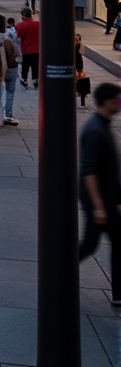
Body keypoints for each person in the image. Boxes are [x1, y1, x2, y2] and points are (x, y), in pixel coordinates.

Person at [77, 81, 121, 307]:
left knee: (100, 243)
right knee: (90, 245)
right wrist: (99, 206)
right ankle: (58, 270)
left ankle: (118, 294)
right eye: (118, 99)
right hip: (100, 200)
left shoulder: (101, 125)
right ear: (108, 101)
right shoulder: (95, 130)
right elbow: (89, 171)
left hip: (107, 197)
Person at [0, 17, 20, 126]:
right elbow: (17, 52)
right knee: (10, 91)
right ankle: (8, 113)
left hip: (0, 67)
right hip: (12, 66)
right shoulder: (13, 35)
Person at [16, 6, 39, 89]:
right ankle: (35, 80)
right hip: (36, 49)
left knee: (25, 66)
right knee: (35, 65)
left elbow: (19, 36)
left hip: (26, 49)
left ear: (23, 16)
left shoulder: (20, 25)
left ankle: (25, 80)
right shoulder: (37, 24)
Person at [74, 33, 91, 109]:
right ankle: (82, 101)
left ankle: (82, 101)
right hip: (77, 66)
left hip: (77, 67)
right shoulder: (78, 47)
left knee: (82, 82)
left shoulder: (78, 47)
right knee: (82, 82)